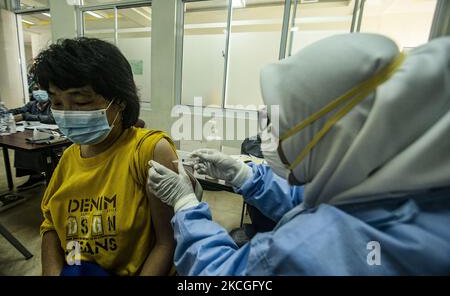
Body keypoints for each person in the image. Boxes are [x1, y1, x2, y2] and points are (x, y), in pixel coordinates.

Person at [147, 33, 450, 275]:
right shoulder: (407, 190)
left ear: (327, 134)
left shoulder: (315, 247)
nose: (268, 138)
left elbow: (220, 274)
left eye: (277, 126)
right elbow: (312, 199)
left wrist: (186, 206)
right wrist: (247, 176)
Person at [31, 37, 177, 276]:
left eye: (81, 100)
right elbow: (50, 226)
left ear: (118, 100)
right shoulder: (69, 157)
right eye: (56, 101)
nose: (67, 113)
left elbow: (167, 242)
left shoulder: (150, 151)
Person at [8, 85, 55, 190]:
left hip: (51, 135)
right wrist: (5, 112)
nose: (39, 92)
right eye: (36, 90)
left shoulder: (53, 104)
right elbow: (19, 110)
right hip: (33, 133)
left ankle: (47, 175)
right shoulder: (32, 104)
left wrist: (26, 116)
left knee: (34, 146)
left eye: (42, 90)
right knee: (22, 146)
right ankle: (35, 175)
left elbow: (51, 118)